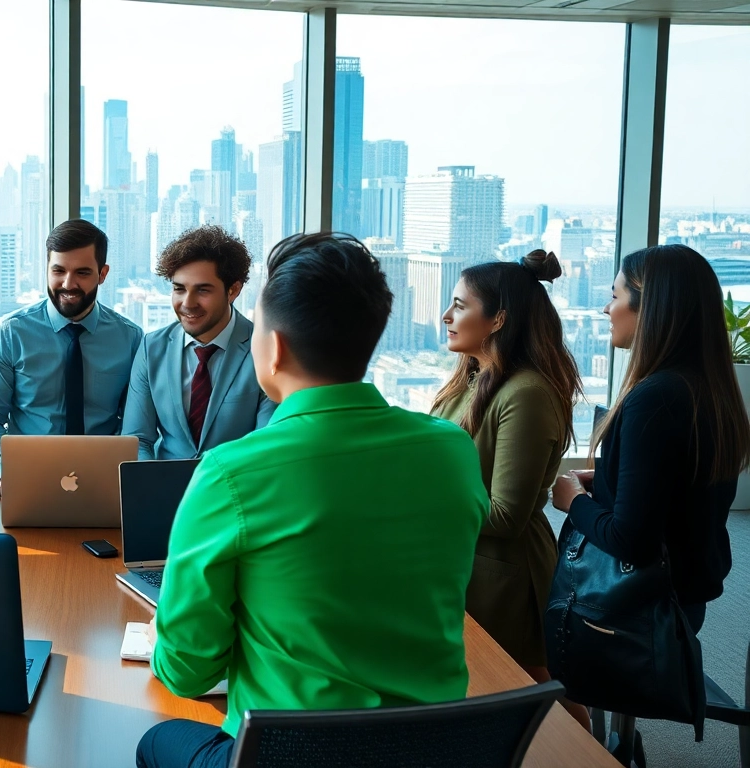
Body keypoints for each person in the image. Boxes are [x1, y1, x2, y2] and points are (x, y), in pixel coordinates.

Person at [136, 233, 490, 768]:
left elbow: (187, 672)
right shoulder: (452, 451)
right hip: (429, 750)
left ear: (273, 347)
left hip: (285, 757)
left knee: (154, 741)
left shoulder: (232, 473)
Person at [553, 244, 749, 637]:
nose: (606, 310)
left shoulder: (654, 398)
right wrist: (609, 482)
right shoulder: (709, 391)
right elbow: (679, 499)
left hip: (639, 610)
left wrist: (572, 500)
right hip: (680, 600)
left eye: (614, 296)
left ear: (650, 308)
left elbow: (631, 540)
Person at [430, 251, 589, 728]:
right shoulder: (471, 377)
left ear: (498, 318)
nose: (446, 316)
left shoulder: (527, 393)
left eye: (459, 305)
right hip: (464, 559)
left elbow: (506, 514)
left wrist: (419, 506)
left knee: (533, 688)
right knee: (496, 690)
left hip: (505, 571)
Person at [0, 219, 143, 484]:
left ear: (103, 274)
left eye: (82, 273)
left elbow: (134, 423)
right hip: (27, 475)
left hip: (103, 477)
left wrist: (127, 476)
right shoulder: (10, 333)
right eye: (58, 270)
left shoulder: (129, 338)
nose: (67, 284)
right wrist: (7, 470)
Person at [122, 225, 274, 460]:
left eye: (203, 290)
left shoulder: (263, 349)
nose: (188, 303)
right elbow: (137, 440)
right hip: (164, 490)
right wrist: (151, 491)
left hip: (234, 491)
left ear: (233, 290)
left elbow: (266, 445)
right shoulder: (151, 348)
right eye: (179, 289)